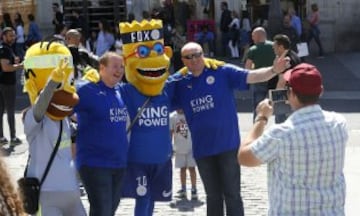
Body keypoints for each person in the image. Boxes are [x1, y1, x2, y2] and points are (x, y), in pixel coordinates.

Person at [170, 41, 289, 216]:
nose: (194, 59)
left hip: (228, 146)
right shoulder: (179, 82)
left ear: (204, 54)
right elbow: (158, 95)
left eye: (197, 54)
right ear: (183, 60)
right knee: (213, 196)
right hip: (203, 150)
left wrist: (273, 71)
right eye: (189, 57)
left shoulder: (221, 71)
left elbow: (252, 76)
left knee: (232, 195)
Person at [238, 63, 348, 215]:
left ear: (290, 94)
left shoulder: (281, 134)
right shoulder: (339, 123)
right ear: (320, 91)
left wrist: (262, 118)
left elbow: (244, 157)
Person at [22, 41, 86, 216]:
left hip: (72, 192)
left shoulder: (65, 119)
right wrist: (52, 85)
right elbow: (40, 106)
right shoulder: (32, 118)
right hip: (46, 194)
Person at [74, 52, 128, 216]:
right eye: (115, 66)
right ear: (102, 68)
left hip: (119, 163)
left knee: (108, 210)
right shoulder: (87, 90)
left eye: (122, 67)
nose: (119, 70)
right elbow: (63, 106)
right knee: (102, 210)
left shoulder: (121, 91)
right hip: (95, 163)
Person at [244, 27, 276, 122]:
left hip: (259, 80)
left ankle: (257, 128)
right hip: (274, 79)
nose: (252, 38)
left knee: (258, 106)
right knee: (277, 105)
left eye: (253, 36)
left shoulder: (253, 49)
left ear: (258, 36)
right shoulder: (274, 46)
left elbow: (247, 68)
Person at [0, 27, 23, 146]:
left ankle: (2, 137)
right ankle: (13, 137)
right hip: (7, 84)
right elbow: (5, 67)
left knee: (3, 110)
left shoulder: (8, 49)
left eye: (13, 35)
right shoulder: (4, 49)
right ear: (3, 36)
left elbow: (9, 64)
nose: (13, 38)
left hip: (4, 83)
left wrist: (15, 62)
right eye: (10, 35)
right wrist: (20, 66)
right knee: (10, 111)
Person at [272, 34, 301, 123]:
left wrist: (274, 100)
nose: (273, 49)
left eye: (274, 47)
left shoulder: (285, 60)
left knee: (281, 122)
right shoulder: (294, 55)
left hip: (284, 95)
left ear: (280, 47)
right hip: (294, 93)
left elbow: (281, 81)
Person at [170, 109, 198, 200]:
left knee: (192, 168)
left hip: (191, 146)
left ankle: (194, 189)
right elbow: (171, 133)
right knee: (182, 169)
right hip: (179, 147)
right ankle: (183, 189)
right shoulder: (172, 117)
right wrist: (169, 146)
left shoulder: (190, 113)